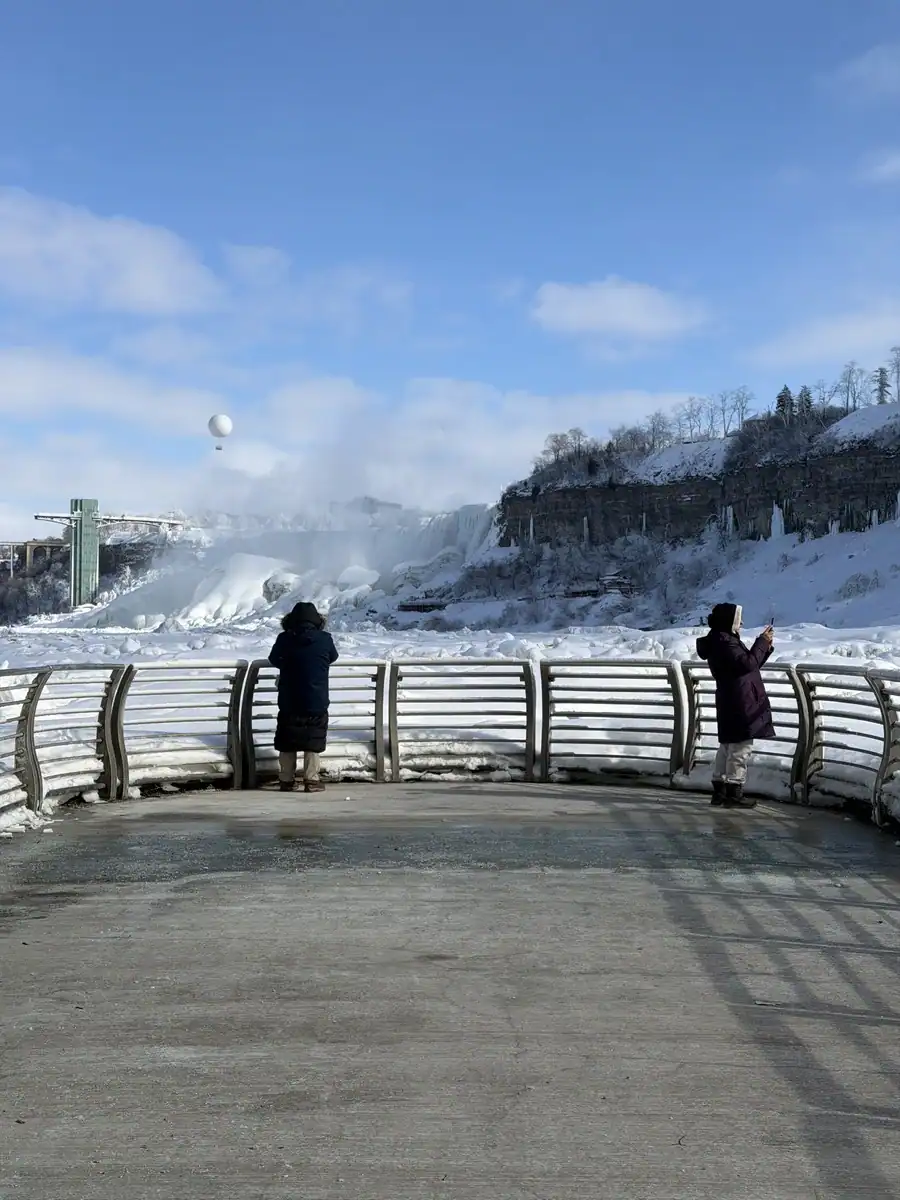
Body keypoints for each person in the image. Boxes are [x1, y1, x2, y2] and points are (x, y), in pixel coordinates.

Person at [696, 603, 775, 809]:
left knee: (728, 745)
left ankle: (720, 789)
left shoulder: (721, 640)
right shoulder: (725, 642)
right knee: (740, 747)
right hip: (741, 700)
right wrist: (761, 642)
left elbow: (746, 665)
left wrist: (765, 647)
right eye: (738, 619)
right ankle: (734, 791)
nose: (741, 623)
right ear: (729, 621)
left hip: (730, 698)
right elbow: (747, 665)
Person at [268, 601, 339, 793]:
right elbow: (333, 656)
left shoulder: (284, 639)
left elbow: (273, 659)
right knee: (313, 741)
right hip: (316, 699)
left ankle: (286, 780)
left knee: (288, 740)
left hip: (289, 699)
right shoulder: (325, 639)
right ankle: (311, 780)